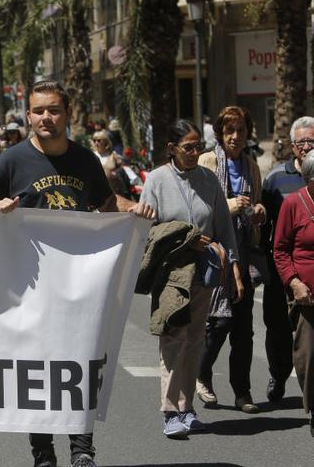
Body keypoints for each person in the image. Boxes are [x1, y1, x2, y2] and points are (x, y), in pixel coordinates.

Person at [0, 80, 152, 467]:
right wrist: (0, 211)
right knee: (36, 369)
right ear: (28, 115)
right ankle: (43, 452)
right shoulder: (11, 161)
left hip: (77, 285)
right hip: (30, 284)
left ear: (67, 115)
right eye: (39, 110)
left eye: (54, 110)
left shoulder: (85, 160)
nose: (47, 117)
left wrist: (130, 209)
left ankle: (82, 449)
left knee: (79, 362)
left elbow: (106, 202)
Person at [138, 119, 240, 438]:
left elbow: (223, 226)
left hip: (205, 270)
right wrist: (185, 237)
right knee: (172, 338)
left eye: (199, 147)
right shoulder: (156, 180)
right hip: (170, 271)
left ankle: (187, 407)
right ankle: (170, 411)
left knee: (196, 339)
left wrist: (233, 268)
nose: (195, 153)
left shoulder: (209, 180)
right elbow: (147, 231)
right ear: (172, 149)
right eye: (189, 147)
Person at [196, 106, 266, 414]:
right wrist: (231, 205)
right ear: (220, 135)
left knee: (244, 329)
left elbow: (257, 204)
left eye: (241, 130)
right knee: (219, 321)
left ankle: (242, 392)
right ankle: (201, 372)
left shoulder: (251, 165)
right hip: (216, 254)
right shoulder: (208, 161)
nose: (236, 136)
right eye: (229, 131)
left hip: (244, 253)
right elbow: (200, 207)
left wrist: (260, 212)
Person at [260, 116, 314, 403]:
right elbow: (266, 225)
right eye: (301, 141)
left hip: (308, 273)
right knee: (277, 327)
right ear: (293, 146)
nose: (306, 146)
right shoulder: (276, 178)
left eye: (311, 141)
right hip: (279, 267)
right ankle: (278, 374)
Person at [273, 151, 314, 438]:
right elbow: (280, 251)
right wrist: (294, 282)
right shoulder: (292, 204)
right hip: (305, 294)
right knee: (308, 354)